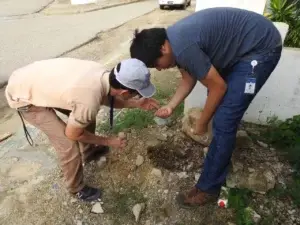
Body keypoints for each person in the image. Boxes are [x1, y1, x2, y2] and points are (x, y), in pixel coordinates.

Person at [130, 7, 282, 207]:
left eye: (156, 63)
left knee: (224, 117)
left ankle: (209, 188)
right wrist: (171, 105)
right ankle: (218, 152)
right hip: (245, 47)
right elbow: (188, 78)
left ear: (163, 48)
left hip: (260, 49)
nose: (159, 68)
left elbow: (218, 87)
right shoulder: (175, 41)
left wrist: (201, 124)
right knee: (218, 106)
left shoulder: (183, 47)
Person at [5, 57, 159, 202]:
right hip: (23, 96)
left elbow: (108, 98)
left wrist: (136, 103)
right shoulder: (88, 99)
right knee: (68, 144)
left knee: (87, 118)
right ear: (125, 92)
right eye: (137, 94)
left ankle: (89, 152)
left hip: (36, 81)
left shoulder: (103, 75)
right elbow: (73, 133)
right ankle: (75, 188)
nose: (138, 96)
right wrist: (108, 141)